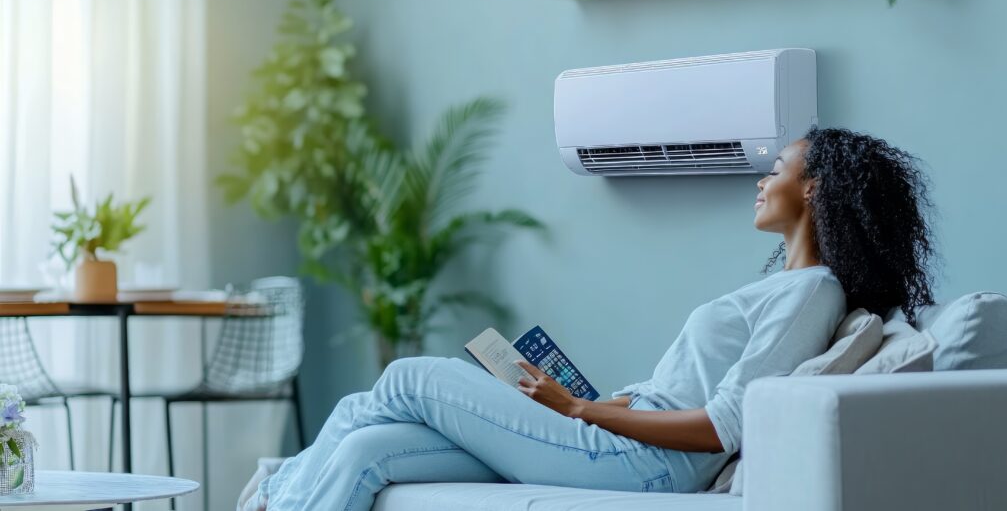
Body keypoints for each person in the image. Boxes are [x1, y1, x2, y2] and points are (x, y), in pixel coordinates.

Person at [240, 127, 936, 510]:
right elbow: (696, 397)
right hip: (633, 444)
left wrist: (581, 410)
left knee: (407, 378)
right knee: (371, 450)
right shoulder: (792, 288)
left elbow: (722, 427)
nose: (761, 179)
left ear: (812, 189)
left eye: (776, 169)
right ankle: (288, 493)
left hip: (645, 465)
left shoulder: (810, 292)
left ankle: (274, 494)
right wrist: (606, 402)